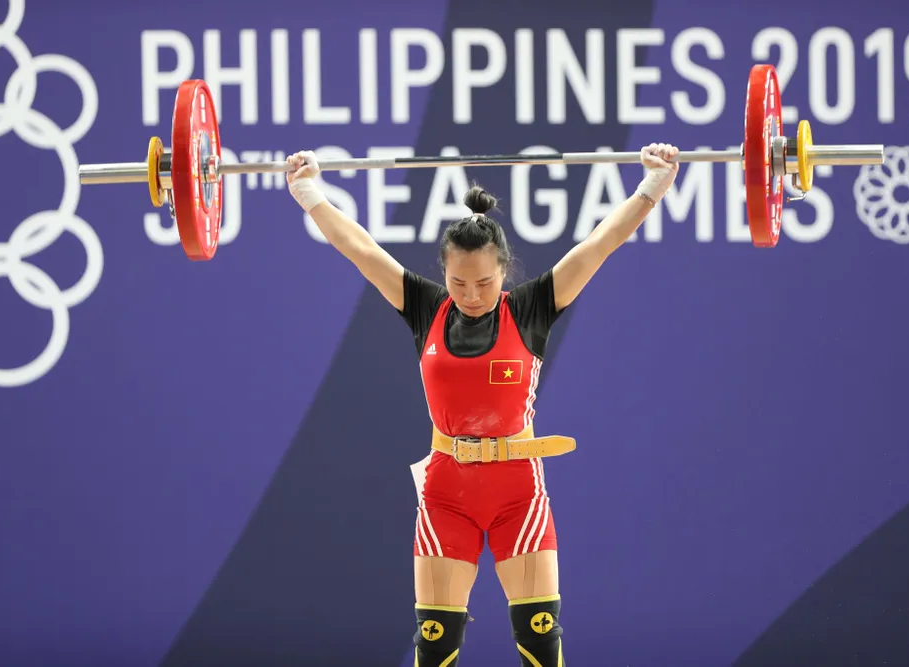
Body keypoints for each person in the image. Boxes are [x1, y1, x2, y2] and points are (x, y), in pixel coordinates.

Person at [285, 144, 680, 666]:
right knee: (436, 644)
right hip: (446, 493)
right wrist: (308, 191)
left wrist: (652, 186)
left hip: (519, 493)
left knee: (540, 640)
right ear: (443, 274)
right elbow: (359, 248)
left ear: (505, 271)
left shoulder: (532, 307)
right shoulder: (425, 307)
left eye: (485, 283)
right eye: (458, 283)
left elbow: (599, 244)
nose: (471, 295)